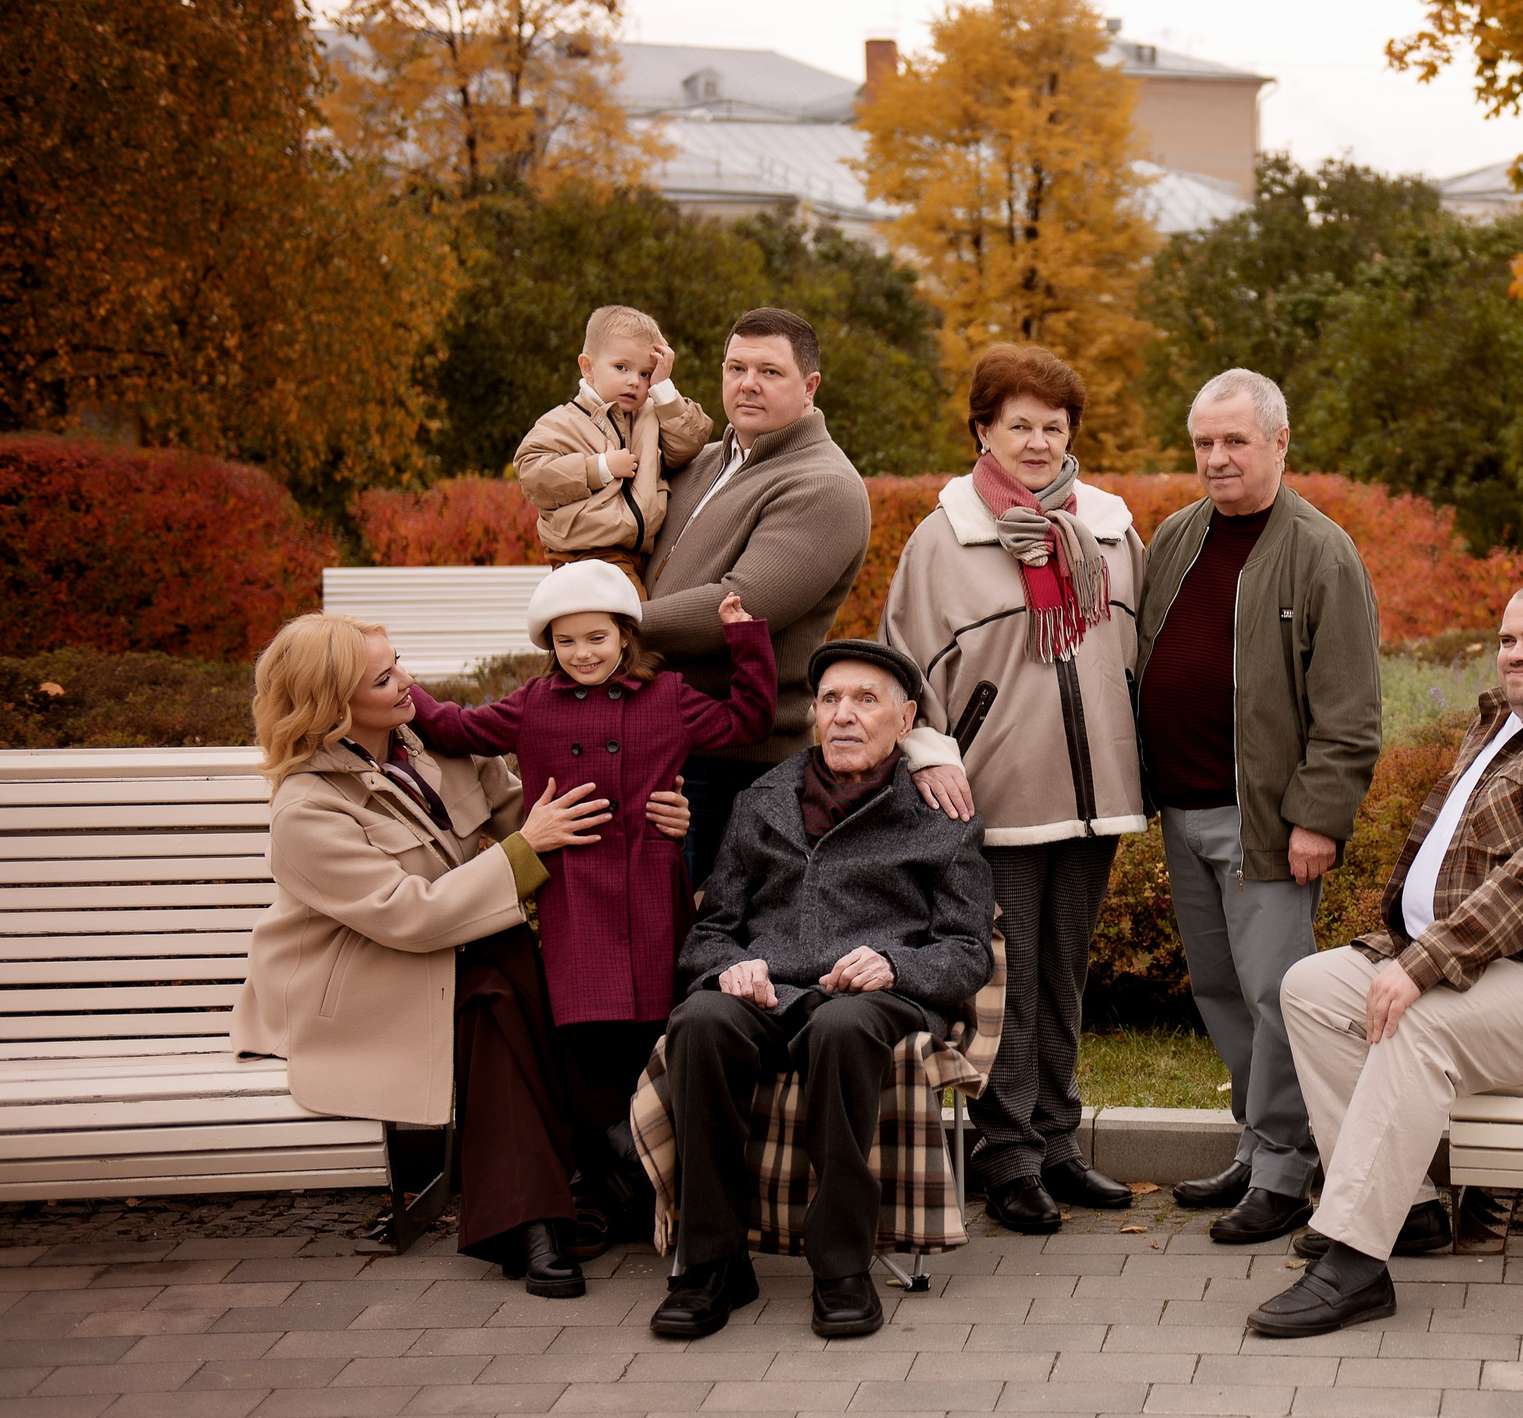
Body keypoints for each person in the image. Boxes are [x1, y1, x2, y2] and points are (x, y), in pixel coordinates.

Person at [1248, 580, 1523, 1336]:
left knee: (1419, 1024)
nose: (1517, 653)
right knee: (1313, 988)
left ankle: (1352, 1261)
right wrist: (1411, 951)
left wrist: (1420, 965)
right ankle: (1405, 1214)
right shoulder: (1510, 724)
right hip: (1491, 964)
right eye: (1509, 638)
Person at [228, 613, 694, 1296]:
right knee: (496, 973)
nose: (407, 683)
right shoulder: (307, 808)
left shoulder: (429, 745)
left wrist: (661, 822)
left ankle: (538, 1214)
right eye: (384, 678)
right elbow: (408, 916)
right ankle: (609, 1152)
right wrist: (526, 849)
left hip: (459, 957)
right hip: (364, 979)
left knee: (501, 977)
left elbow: (539, 813)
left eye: (400, 663)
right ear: (332, 705)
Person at [405, 560, 776, 1255]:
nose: (583, 653)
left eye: (596, 637)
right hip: (572, 895)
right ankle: (605, 1174)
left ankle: (636, 1178)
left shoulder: (667, 694)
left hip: (649, 886)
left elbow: (747, 718)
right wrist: (405, 691)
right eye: (566, 640)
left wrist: (744, 637)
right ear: (550, 645)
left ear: (624, 634)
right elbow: (457, 729)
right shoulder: (533, 704)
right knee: (582, 1036)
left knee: (650, 1031)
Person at [649, 640, 996, 1342]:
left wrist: (896, 963)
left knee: (842, 1027)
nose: (844, 715)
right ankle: (711, 1263)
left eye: (866, 700)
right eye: (832, 699)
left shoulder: (939, 817)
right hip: (767, 993)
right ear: (813, 714)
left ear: (906, 722)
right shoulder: (762, 801)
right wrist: (729, 967)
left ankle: (840, 1265)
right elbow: (710, 931)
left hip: (871, 999)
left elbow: (968, 951)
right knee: (701, 1020)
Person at [882, 344, 1148, 1234]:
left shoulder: (1110, 527)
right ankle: (1008, 1157)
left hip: (1096, 791)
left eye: (1053, 426)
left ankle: (1060, 1143)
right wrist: (931, 753)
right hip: (991, 797)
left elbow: (1134, 653)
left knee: (1064, 976)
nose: (1037, 442)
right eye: (1019, 425)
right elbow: (906, 669)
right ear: (983, 431)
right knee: (1010, 985)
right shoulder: (941, 538)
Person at [1135, 368, 1383, 1244]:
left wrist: (1319, 815)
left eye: (1235, 440)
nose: (1217, 457)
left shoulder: (1321, 551)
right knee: (1219, 986)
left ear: (1280, 442)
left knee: (1280, 994)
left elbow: (1350, 709)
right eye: (1204, 442)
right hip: (1185, 809)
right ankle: (1257, 1141)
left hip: (1267, 822)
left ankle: (1285, 1168)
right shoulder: (1176, 536)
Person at [642, 306, 872, 876]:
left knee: (717, 949)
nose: (747, 384)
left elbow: (741, 606)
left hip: (739, 767)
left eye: (769, 371)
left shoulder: (824, 485)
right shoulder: (703, 463)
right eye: (734, 367)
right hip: (666, 740)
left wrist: (605, 618)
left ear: (810, 385)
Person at [514, 304, 717, 597]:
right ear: (588, 367)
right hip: (585, 552)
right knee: (627, 627)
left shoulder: (651, 415)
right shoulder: (562, 422)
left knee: (620, 631)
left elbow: (687, 444)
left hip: (640, 553)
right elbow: (533, 476)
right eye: (621, 368)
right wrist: (600, 468)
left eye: (646, 373)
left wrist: (664, 390)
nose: (634, 380)